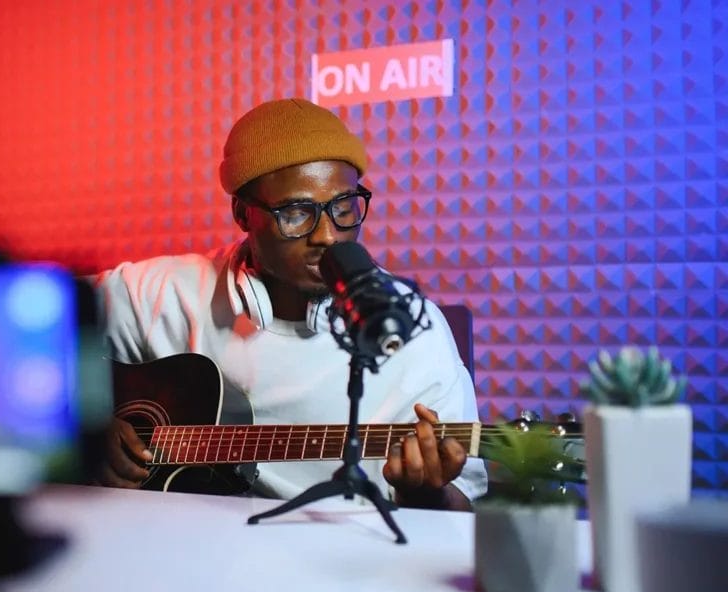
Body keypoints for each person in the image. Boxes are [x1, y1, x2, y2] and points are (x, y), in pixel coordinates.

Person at [95, 98, 487, 510]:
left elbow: (464, 513)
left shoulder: (412, 330)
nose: (327, 236)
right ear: (243, 214)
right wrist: (85, 424)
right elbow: (24, 332)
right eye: (297, 212)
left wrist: (425, 490)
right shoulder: (162, 292)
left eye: (343, 206)